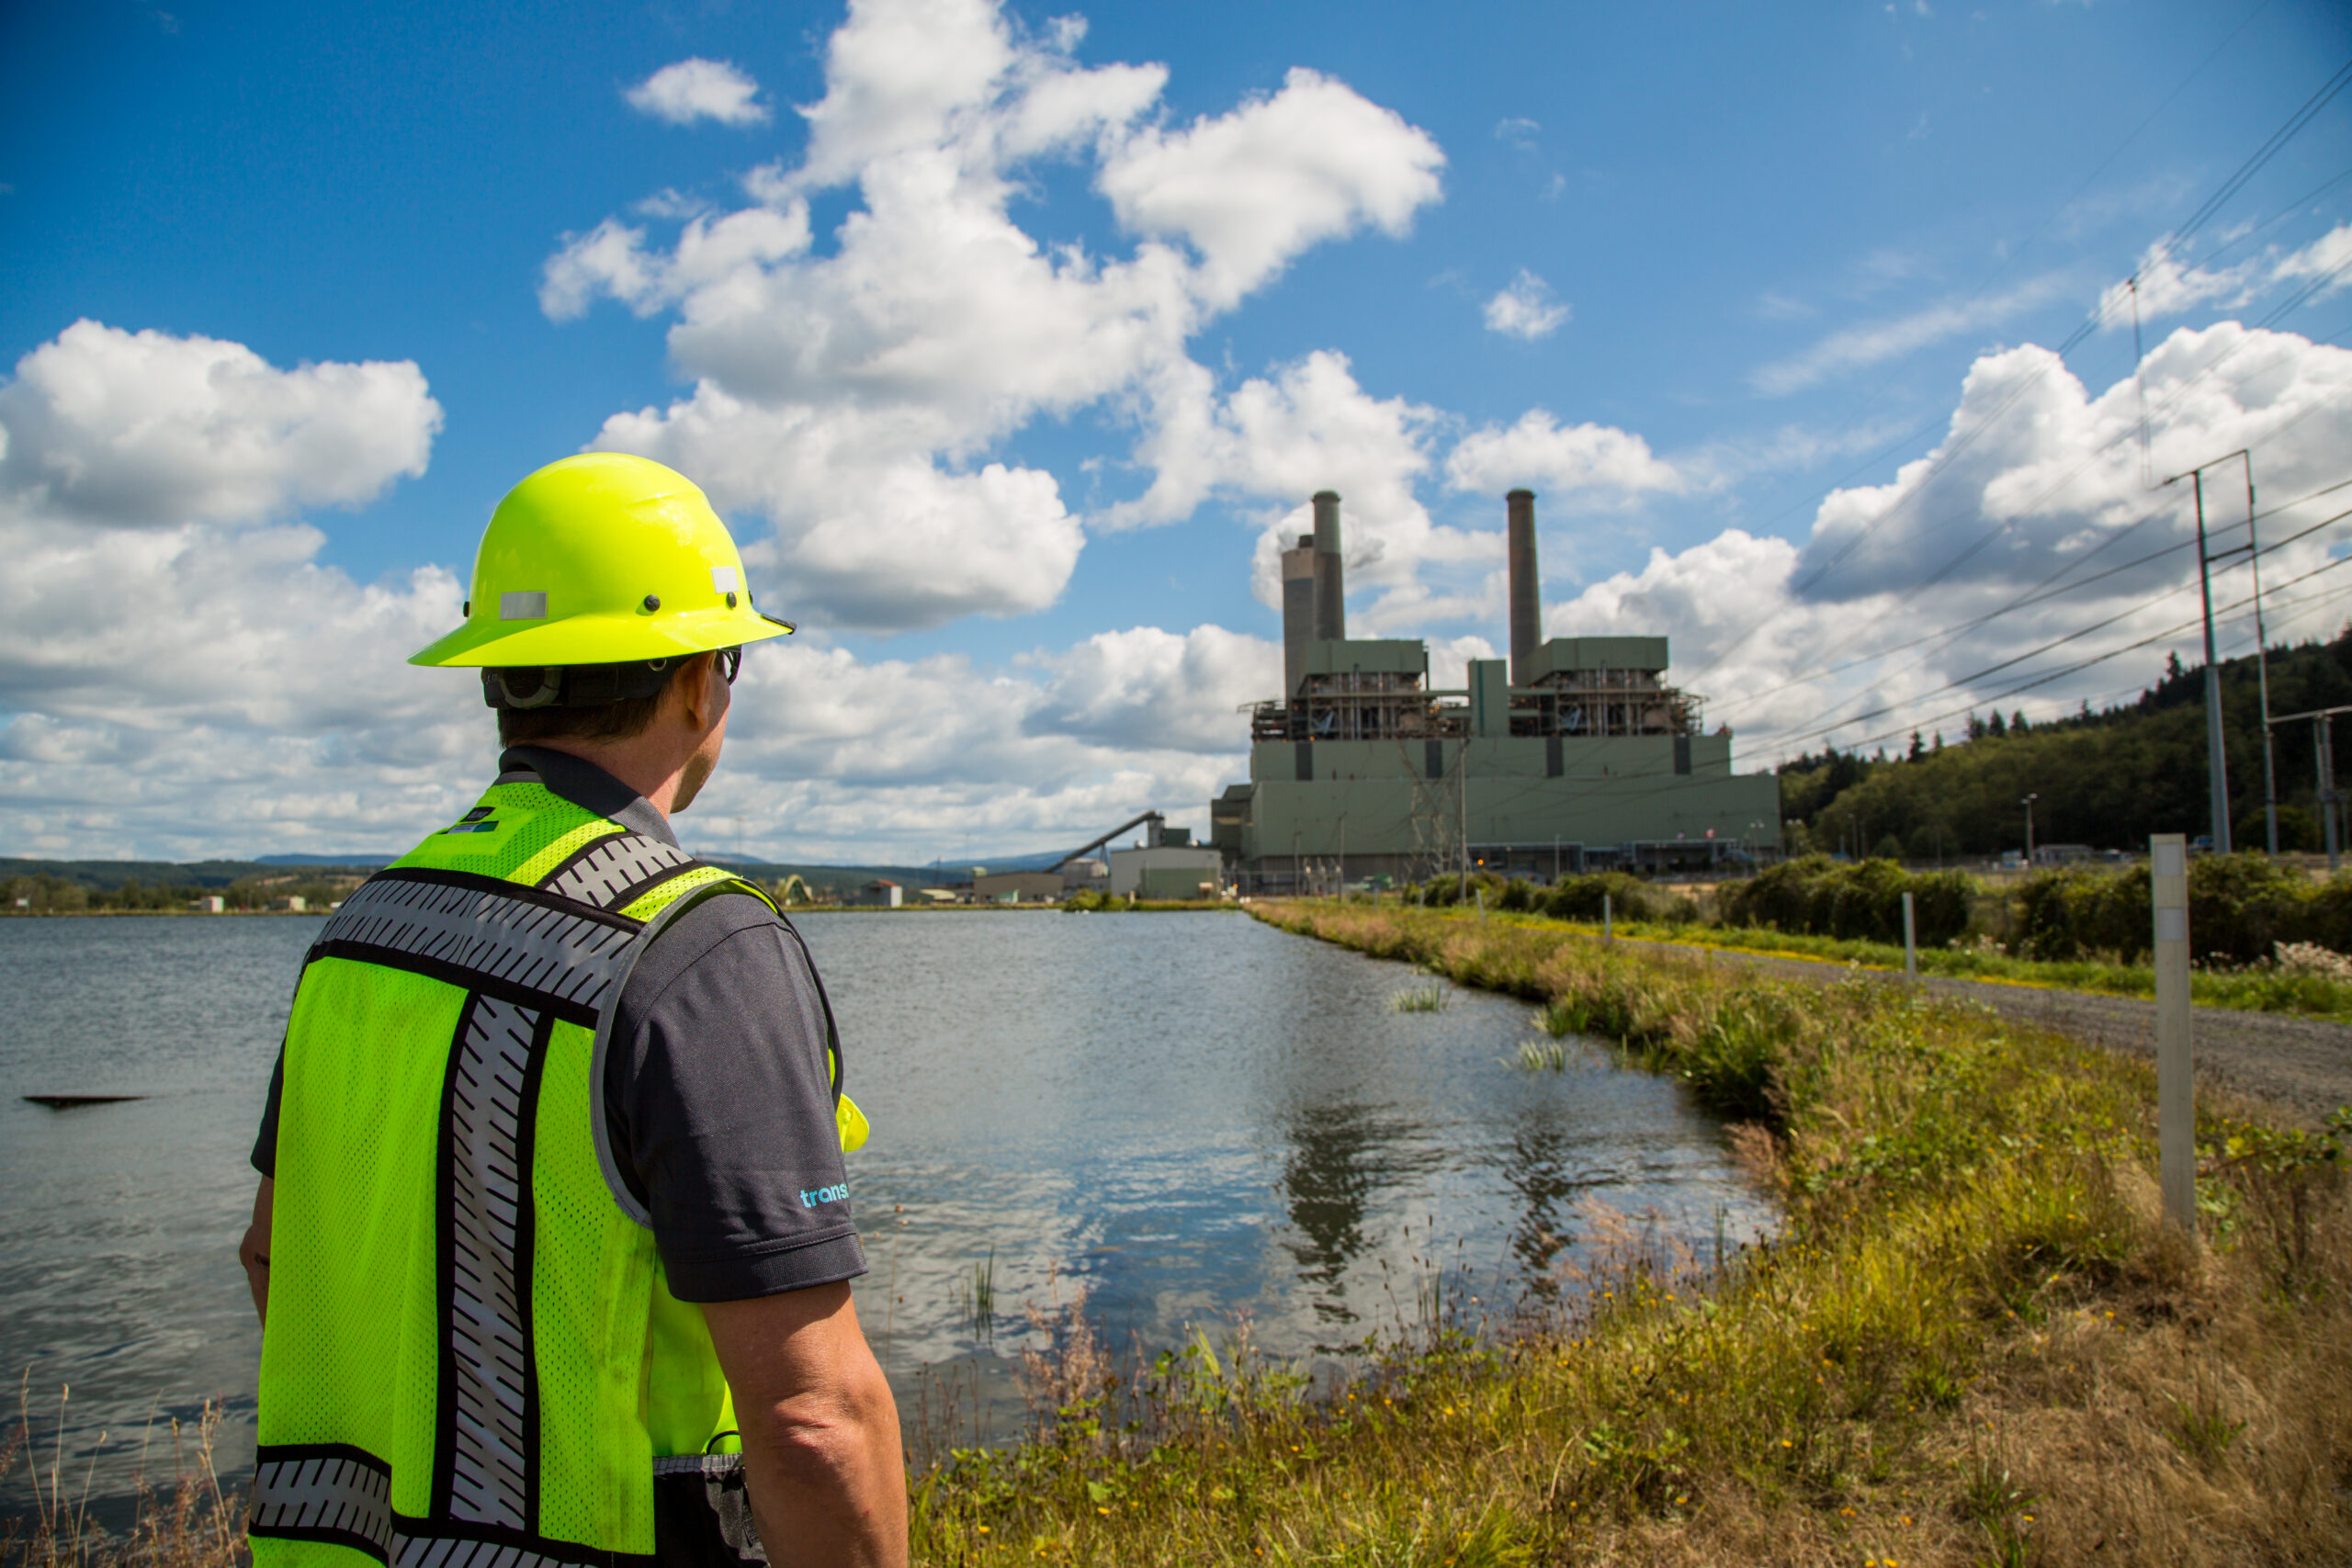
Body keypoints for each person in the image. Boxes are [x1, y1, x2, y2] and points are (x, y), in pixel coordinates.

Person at [237, 453, 907, 1568]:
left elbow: (273, 1254)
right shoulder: (697, 949)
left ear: (498, 676)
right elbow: (812, 1418)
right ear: (700, 680)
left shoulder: (359, 932)